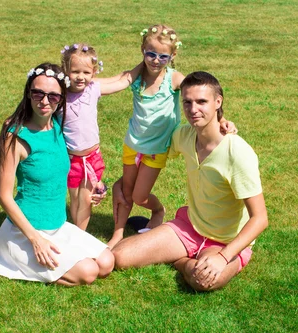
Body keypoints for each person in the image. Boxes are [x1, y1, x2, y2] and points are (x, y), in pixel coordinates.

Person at [112, 71, 268, 291]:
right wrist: (122, 183)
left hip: (226, 241)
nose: (193, 110)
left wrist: (223, 257)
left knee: (205, 281)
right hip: (190, 227)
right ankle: (185, 258)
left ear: (218, 102)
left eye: (202, 101)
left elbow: (260, 218)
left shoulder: (237, 152)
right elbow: (149, 154)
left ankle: (180, 260)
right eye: (187, 102)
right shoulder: (184, 136)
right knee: (119, 257)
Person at [0, 63, 114, 286]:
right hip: (27, 231)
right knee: (88, 272)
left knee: (106, 262)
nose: (45, 101)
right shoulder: (15, 134)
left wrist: (95, 184)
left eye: (53, 96)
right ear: (28, 93)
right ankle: (10, 255)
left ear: (61, 98)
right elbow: (4, 196)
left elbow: (75, 161)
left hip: (58, 224)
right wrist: (36, 240)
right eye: (38, 93)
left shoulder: (57, 124)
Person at [109, 24, 234, 247]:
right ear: (142, 51)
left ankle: (158, 210)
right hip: (133, 144)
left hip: (157, 149)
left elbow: (199, 92)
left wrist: (221, 119)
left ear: (172, 55)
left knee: (139, 196)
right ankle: (117, 234)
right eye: (151, 54)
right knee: (126, 191)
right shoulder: (137, 76)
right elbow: (117, 80)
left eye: (163, 56)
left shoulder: (173, 79)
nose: (156, 60)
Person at [59, 43, 140, 231]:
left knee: (86, 199)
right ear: (65, 70)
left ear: (94, 72)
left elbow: (122, 81)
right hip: (70, 159)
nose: (81, 77)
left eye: (86, 72)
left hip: (91, 158)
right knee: (75, 199)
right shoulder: (60, 94)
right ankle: (76, 230)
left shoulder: (93, 88)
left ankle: (79, 234)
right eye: (75, 71)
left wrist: (143, 64)